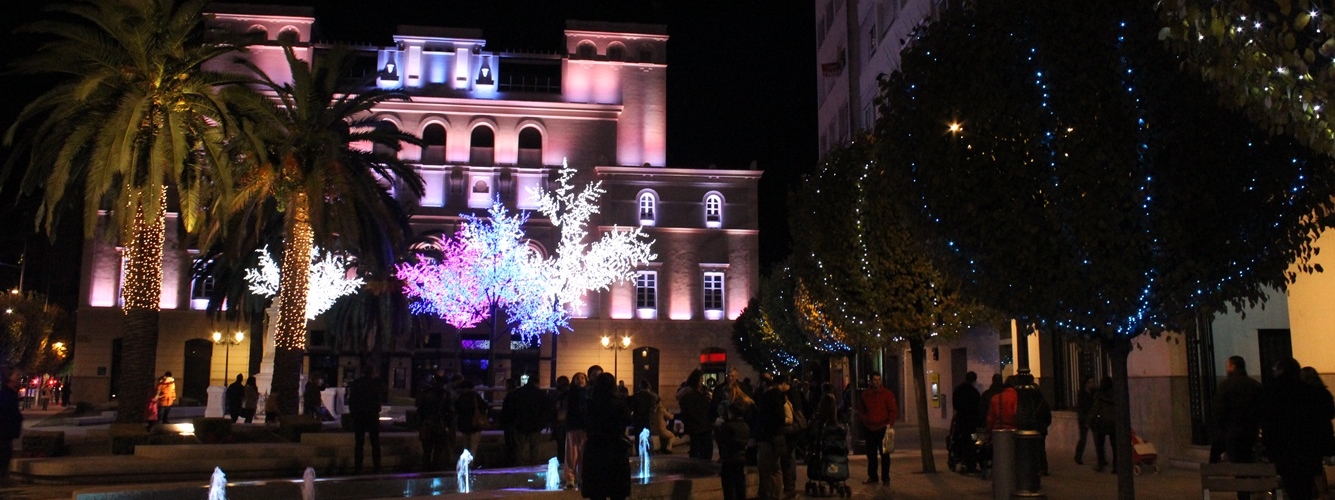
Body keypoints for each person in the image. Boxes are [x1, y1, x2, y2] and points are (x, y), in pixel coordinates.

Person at [1262, 358, 1333, 500]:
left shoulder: (1271, 391)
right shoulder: (1312, 392)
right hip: (1308, 449)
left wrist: (1269, 447)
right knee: (1305, 487)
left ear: (1280, 370)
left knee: (1292, 486)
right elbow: (1326, 416)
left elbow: (1267, 421)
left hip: (1283, 450)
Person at [1209, 355, 1263, 477]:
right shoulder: (1254, 385)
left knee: (1238, 463)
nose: (1226, 368)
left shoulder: (1225, 385)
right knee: (1248, 460)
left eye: (1228, 366)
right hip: (1250, 431)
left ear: (1233, 367)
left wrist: (1217, 430)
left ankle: (1243, 491)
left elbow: (1219, 411)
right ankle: (1251, 489)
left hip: (1231, 431)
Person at [580, 372, 631, 500]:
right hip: (616, 449)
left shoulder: (591, 404)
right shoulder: (619, 403)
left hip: (596, 448)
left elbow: (586, 422)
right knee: (617, 491)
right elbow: (628, 420)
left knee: (597, 492)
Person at [755, 373, 797, 500]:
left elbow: (777, 418)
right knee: (775, 468)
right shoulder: (779, 397)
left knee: (770, 469)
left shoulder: (771, 397)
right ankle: (774, 494)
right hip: (776, 437)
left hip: (770, 437)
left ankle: (772, 494)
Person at [856, 371, 899, 486]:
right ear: (871, 381)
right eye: (875, 380)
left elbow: (893, 410)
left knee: (885, 455)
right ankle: (873, 476)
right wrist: (866, 420)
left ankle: (886, 478)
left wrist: (889, 424)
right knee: (871, 455)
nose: (877, 382)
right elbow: (860, 410)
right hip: (870, 428)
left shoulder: (887, 394)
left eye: (879, 380)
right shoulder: (865, 395)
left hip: (884, 428)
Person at [1299, 366, 1335, 500]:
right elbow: (1331, 413)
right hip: (1323, 433)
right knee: (1318, 466)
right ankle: (1323, 492)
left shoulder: (1301, 396)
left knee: (1311, 465)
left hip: (1307, 435)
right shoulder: (1324, 393)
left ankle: (1315, 492)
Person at [505, 375, 552, 465]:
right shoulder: (541, 394)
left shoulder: (518, 393)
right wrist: (544, 422)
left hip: (520, 423)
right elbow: (546, 409)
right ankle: (534, 463)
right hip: (536, 424)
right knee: (535, 446)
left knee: (519, 446)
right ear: (537, 383)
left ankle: (518, 464)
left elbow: (512, 408)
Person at [1013, 369, 1052, 476]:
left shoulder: (1025, 392)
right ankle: (1042, 467)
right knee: (1040, 448)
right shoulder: (1037, 391)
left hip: (1033, 423)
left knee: (1032, 448)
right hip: (1039, 424)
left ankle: (1034, 468)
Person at [346, 366, 383, 474]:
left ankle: (358, 467)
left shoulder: (357, 383)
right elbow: (380, 394)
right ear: (372, 373)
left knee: (359, 443)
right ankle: (377, 467)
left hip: (359, 415)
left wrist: (353, 414)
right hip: (371, 415)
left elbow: (351, 400)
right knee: (375, 442)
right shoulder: (375, 383)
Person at [715, 401, 752, 500]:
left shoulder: (728, 426)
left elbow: (723, 441)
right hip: (741, 457)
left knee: (729, 485)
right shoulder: (745, 426)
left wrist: (719, 428)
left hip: (729, 458)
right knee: (740, 482)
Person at [416, 373, 451, 472]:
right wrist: (448, 424)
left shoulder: (425, 393)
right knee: (438, 450)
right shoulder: (445, 394)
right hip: (440, 424)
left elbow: (420, 410)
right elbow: (450, 411)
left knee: (427, 450)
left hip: (427, 424)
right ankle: (436, 468)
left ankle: (425, 468)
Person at [677, 369, 713, 460]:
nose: (702, 382)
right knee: (697, 448)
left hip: (703, 424)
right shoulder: (689, 394)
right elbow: (690, 410)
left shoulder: (701, 391)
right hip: (697, 425)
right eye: (701, 380)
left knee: (705, 448)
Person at [950, 371, 982, 472]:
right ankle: (971, 463)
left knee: (961, 440)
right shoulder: (975, 392)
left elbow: (955, 404)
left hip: (961, 421)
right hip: (972, 423)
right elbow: (978, 408)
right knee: (973, 441)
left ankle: (961, 460)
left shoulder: (958, 390)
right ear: (974, 380)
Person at [562, 372, 589, 488]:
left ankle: (582, 477)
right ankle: (570, 478)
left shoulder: (589, 392)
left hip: (584, 426)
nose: (580, 380)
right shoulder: (570, 393)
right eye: (577, 378)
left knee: (584, 453)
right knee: (571, 454)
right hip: (573, 425)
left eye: (582, 378)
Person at [455, 379, 489, 467]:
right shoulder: (475, 396)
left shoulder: (461, 397)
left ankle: (465, 464)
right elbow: (485, 406)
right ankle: (471, 464)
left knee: (466, 445)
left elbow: (457, 409)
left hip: (464, 425)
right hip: (475, 425)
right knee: (473, 445)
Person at [1086, 378, 1116, 473]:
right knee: (1115, 446)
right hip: (1114, 423)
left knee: (1099, 445)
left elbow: (1095, 410)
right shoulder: (1116, 395)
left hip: (1101, 423)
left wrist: (1088, 422)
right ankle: (1116, 466)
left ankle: (1101, 464)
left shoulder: (1099, 396)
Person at [0, 368, 24, 484]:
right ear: (9, 379)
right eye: (16, 375)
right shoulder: (6, 395)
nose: (19, 377)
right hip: (3, 435)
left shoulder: (11, 395)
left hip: (6, 435)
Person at [1073, 376, 1096, 465]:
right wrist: (1083, 418)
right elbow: (1080, 407)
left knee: (1097, 438)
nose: (1092, 384)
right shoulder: (1082, 394)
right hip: (1084, 418)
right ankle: (1078, 456)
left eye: (1093, 382)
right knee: (1083, 438)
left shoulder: (1094, 392)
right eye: (1090, 382)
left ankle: (1101, 459)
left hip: (1092, 417)